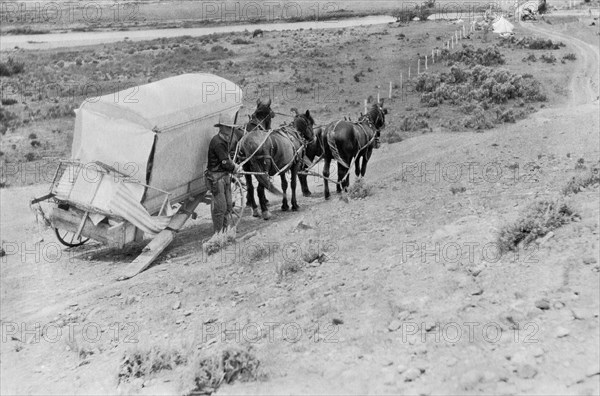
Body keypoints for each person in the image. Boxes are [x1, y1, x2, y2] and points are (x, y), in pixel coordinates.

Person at [205, 124, 240, 234]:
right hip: (217, 178)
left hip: (224, 177)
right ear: (222, 128)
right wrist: (235, 167)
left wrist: (232, 165)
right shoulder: (218, 142)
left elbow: (227, 159)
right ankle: (218, 235)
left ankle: (225, 232)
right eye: (228, 128)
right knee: (221, 208)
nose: (230, 131)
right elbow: (225, 162)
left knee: (229, 206)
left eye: (231, 128)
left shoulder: (224, 140)